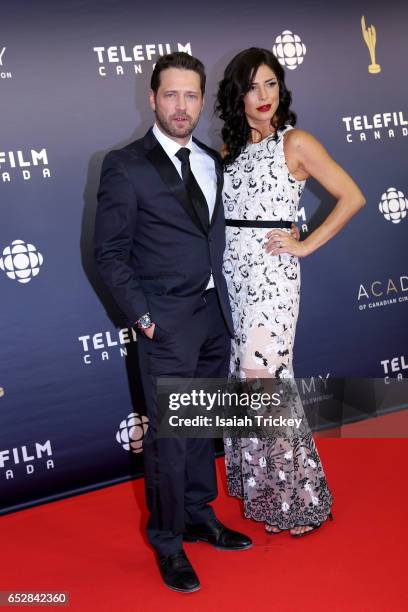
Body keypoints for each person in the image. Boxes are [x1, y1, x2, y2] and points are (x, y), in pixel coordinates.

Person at [94, 52, 253, 594]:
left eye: (191, 96)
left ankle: (198, 515)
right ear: (152, 97)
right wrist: (143, 317)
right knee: (166, 440)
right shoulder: (125, 164)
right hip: (164, 324)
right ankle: (167, 542)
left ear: (202, 100)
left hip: (212, 319)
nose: (181, 106)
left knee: (201, 427)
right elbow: (110, 253)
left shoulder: (212, 158)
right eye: (170, 95)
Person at [215, 48, 365, 536]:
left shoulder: (295, 143)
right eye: (252, 87)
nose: (262, 97)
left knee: (266, 381)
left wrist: (304, 245)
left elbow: (352, 196)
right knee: (248, 382)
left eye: (271, 84)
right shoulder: (227, 152)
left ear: (282, 88)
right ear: (236, 96)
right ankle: (267, 495)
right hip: (233, 280)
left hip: (272, 279)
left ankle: (300, 499)